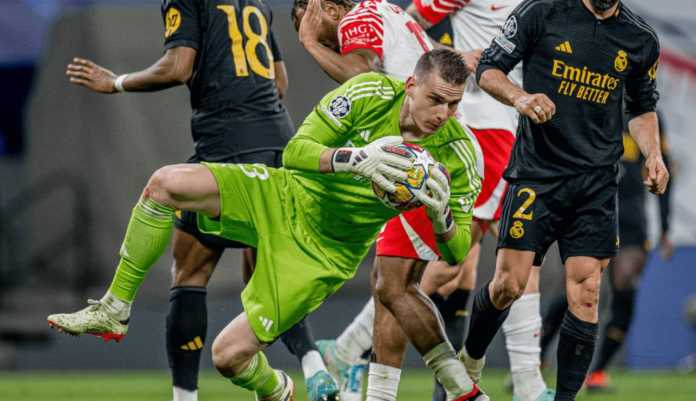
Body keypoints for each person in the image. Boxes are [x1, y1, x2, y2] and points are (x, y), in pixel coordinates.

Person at [48, 49, 486, 401]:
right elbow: (296, 151)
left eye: (453, 104)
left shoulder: (461, 153)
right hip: (284, 195)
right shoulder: (370, 92)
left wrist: (441, 216)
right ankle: (115, 308)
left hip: (324, 254)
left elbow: (454, 253)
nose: (443, 114)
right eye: (435, 100)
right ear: (411, 86)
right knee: (164, 184)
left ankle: (281, 390)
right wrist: (354, 159)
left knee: (228, 357)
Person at [49, 1, 297, 400]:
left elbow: (178, 66)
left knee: (164, 194)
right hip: (272, 153)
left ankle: (116, 308)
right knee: (206, 271)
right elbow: (279, 82)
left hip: (229, 150)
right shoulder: (256, 3)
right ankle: (277, 385)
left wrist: (116, 82)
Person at [461, 1, 669, 401]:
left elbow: (642, 108)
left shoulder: (639, 38)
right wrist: (520, 99)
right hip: (537, 175)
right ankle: (470, 361)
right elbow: (489, 69)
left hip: (596, 183)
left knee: (587, 291)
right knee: (508, 284)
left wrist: (653, 154)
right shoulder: (541, 12)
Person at [290, 2, 484, 400]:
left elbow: (360, 78)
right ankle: (391, 388)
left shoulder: (358, 18)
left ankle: (462, 389)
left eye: (308, 20)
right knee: (391, 283)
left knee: (398, 284)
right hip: (419, 152)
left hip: (417, 157)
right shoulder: (391, 13)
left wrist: (310, 43)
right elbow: (431, 64)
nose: (328, 38)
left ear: (326, 7)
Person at [406, 1, 554, 399]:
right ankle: (354, 350)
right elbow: (407, 28)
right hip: (484, 127)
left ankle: (519, 383)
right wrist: (456, 57)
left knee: (478, 267)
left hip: (523, 129)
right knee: (448, 260)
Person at [540, 112, 673, 392]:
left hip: (632, 224)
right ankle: (535, 360)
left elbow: (664, 169)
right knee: (573, 293)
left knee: (625, 296)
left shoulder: (650, 117)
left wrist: (665, 228)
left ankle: (597, 373)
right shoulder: (593, 104)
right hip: (593, 213)